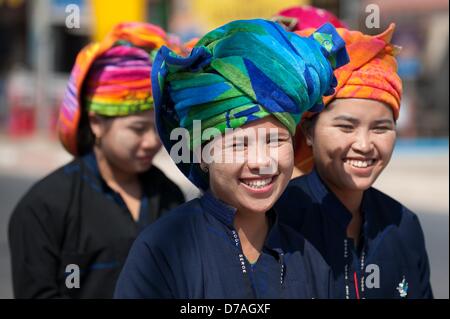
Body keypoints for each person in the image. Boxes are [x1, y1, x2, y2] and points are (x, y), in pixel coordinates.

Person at [114, 19, 349, 299]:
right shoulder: (162, 251)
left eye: (276, 140)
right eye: (238, 144)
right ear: (202, 153)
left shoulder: (311, 260)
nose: (262, 161)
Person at [8, 22, 185, 298]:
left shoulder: (170, 198)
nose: (152, 141)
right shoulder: (44, 207)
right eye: (138, 129)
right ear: (96, 124)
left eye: (158, 128)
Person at [276, 24, 433, 298]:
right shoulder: (276, 219)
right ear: (309, 132)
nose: (363, 145)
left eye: (381, 128)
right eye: (346, 127)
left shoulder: (402, 225)